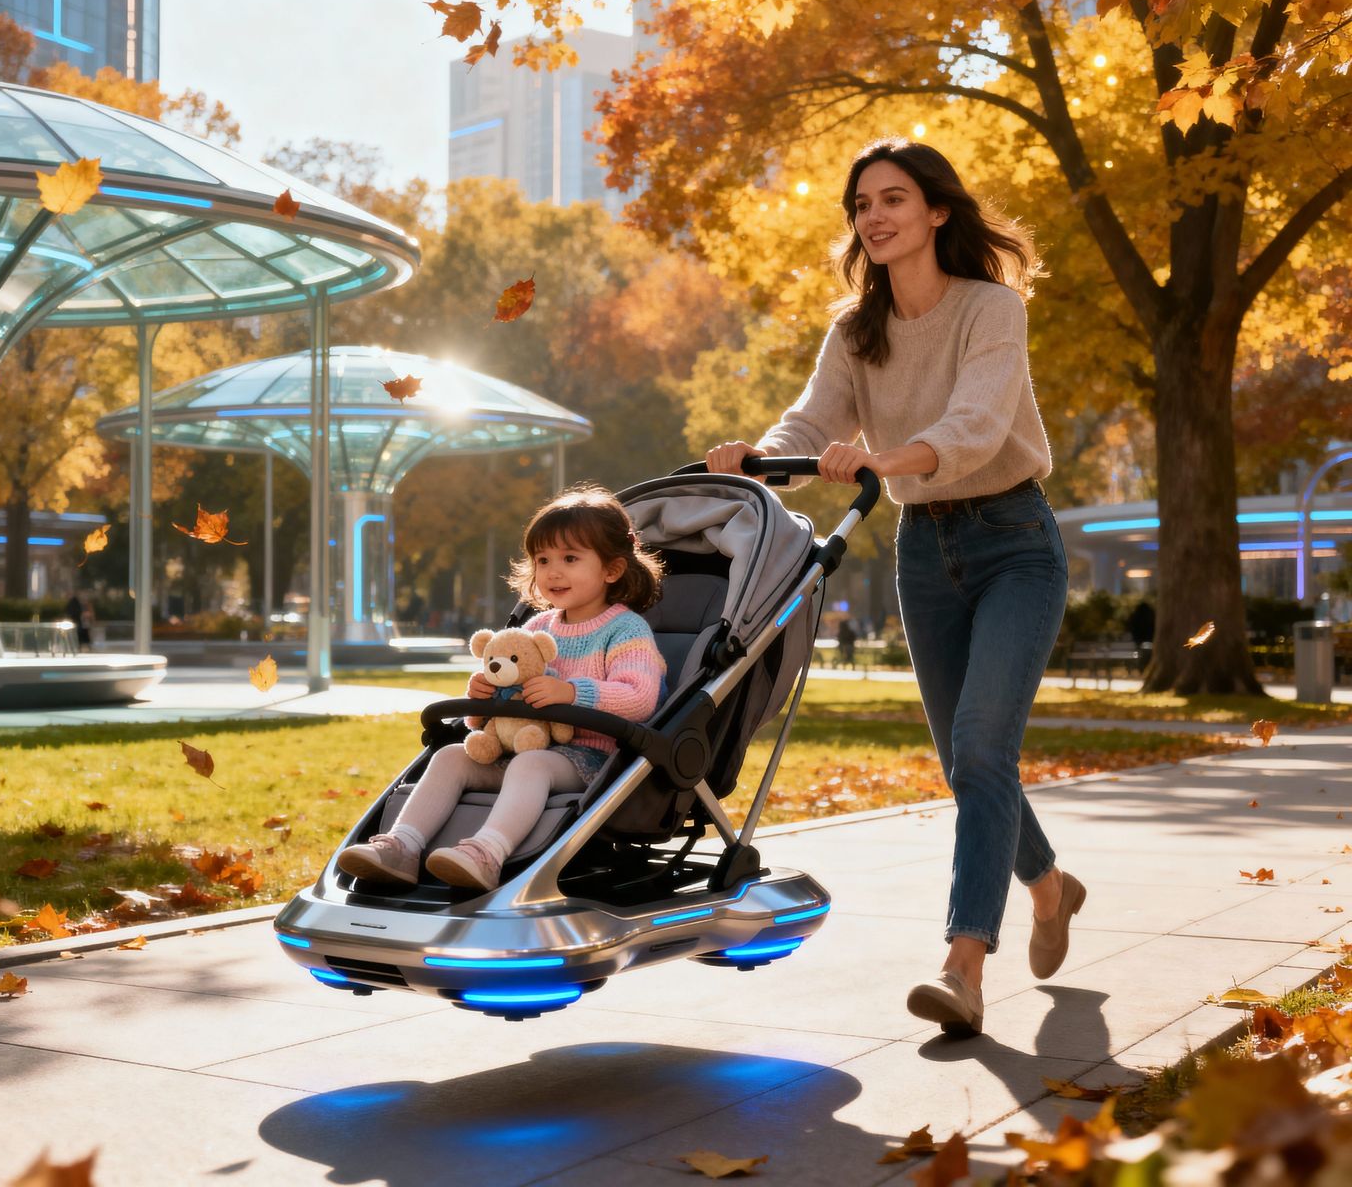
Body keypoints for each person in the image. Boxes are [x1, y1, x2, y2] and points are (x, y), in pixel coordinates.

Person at [705, 137, 1083, 1038]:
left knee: (983, 747)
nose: (874, 217)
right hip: (926, 550)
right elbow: (812, 420)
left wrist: (883, 458)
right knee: (965, 762)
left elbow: (978, 424)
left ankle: (963, 968)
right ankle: (1049, 885)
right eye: (862, 205)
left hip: (1015, 541)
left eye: (894, 200)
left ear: (937, 212)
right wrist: (755, 462)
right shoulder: (855, 329)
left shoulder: (990, 308)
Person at [338, 485, 668, 893]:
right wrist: (483, 700)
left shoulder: (625, 629)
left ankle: (486, 854)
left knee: (531, 766)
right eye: (543, 559)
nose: (553, 571)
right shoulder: (535, 628)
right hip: (516, 748)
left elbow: (639, 697)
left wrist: (571, 693)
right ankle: (402, 847)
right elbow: (504, 692)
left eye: (570, 559)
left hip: (590, 758)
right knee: (451, 755)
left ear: (612, 570)